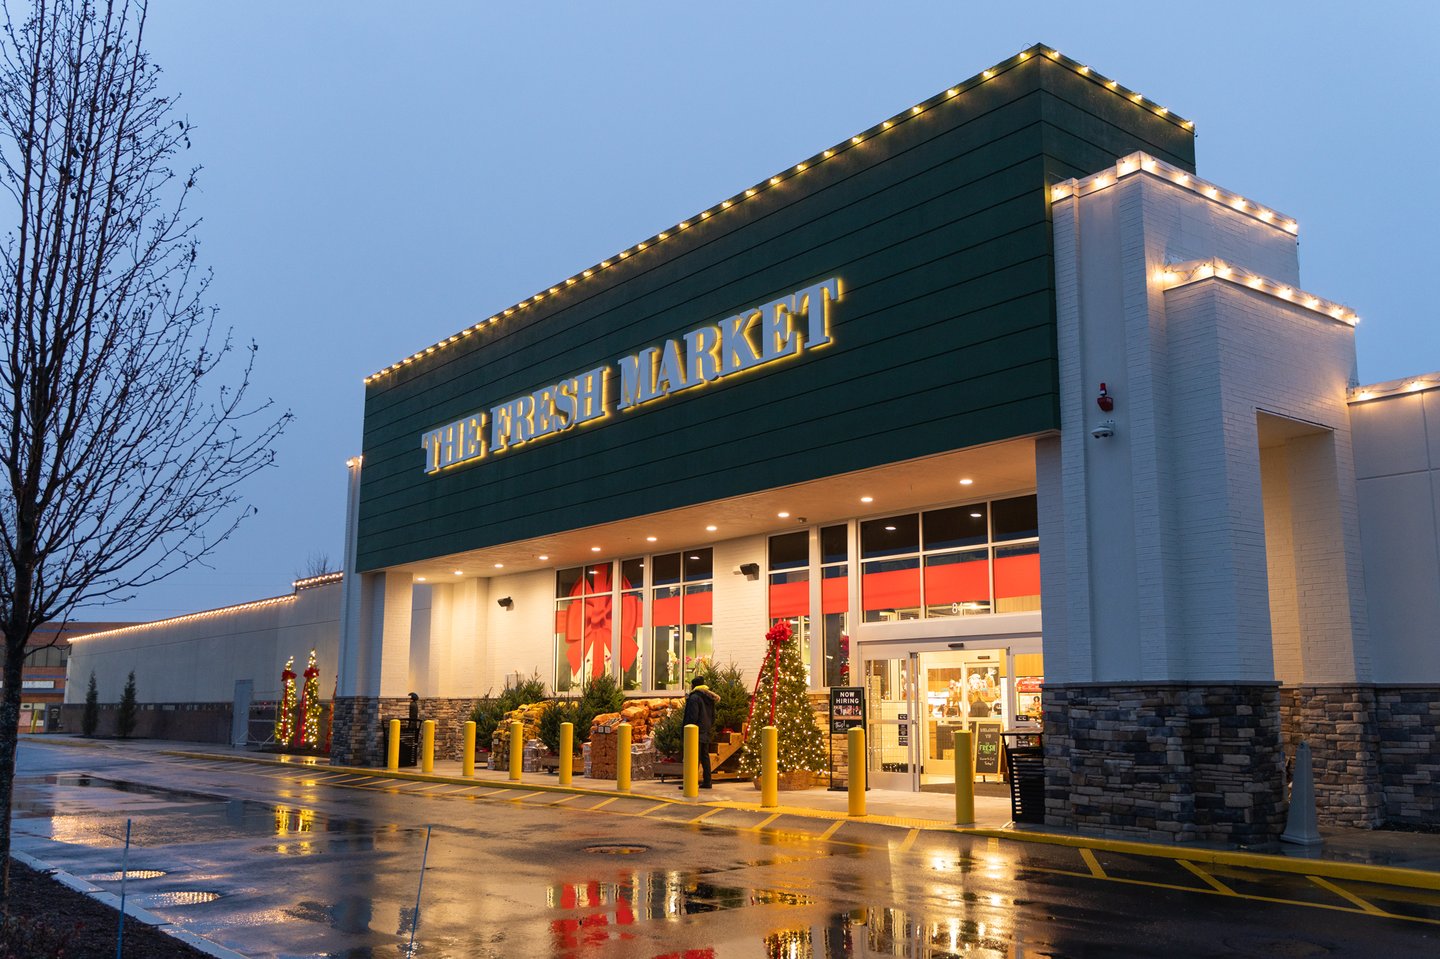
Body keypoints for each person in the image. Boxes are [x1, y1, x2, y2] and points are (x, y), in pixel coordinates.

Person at [680, 675, 719, 790]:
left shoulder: (694, 698)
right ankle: (707, 781)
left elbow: (693, 716)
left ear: (693, 686)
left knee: (693, 757)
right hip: (705, 730)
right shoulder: (709, 698)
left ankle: (690, 782)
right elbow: (713, 716)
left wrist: (687, 729)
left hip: (694, 731)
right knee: (704, 756)